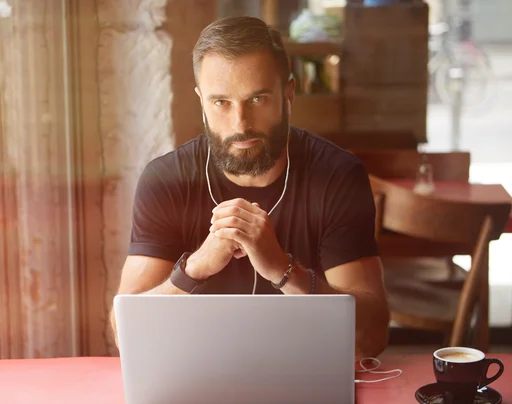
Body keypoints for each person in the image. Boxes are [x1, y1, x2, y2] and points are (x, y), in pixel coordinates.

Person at [111, 16, 389, 359]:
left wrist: (284, 271)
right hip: (197, 381)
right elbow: (126, 333)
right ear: (201, 101)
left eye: (257, 99)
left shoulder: (337, 176)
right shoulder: (165, 180)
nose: (240, 124)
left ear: (288, 94)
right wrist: (195, 268)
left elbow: (372, 335)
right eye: (221, 102)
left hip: (305, 378)